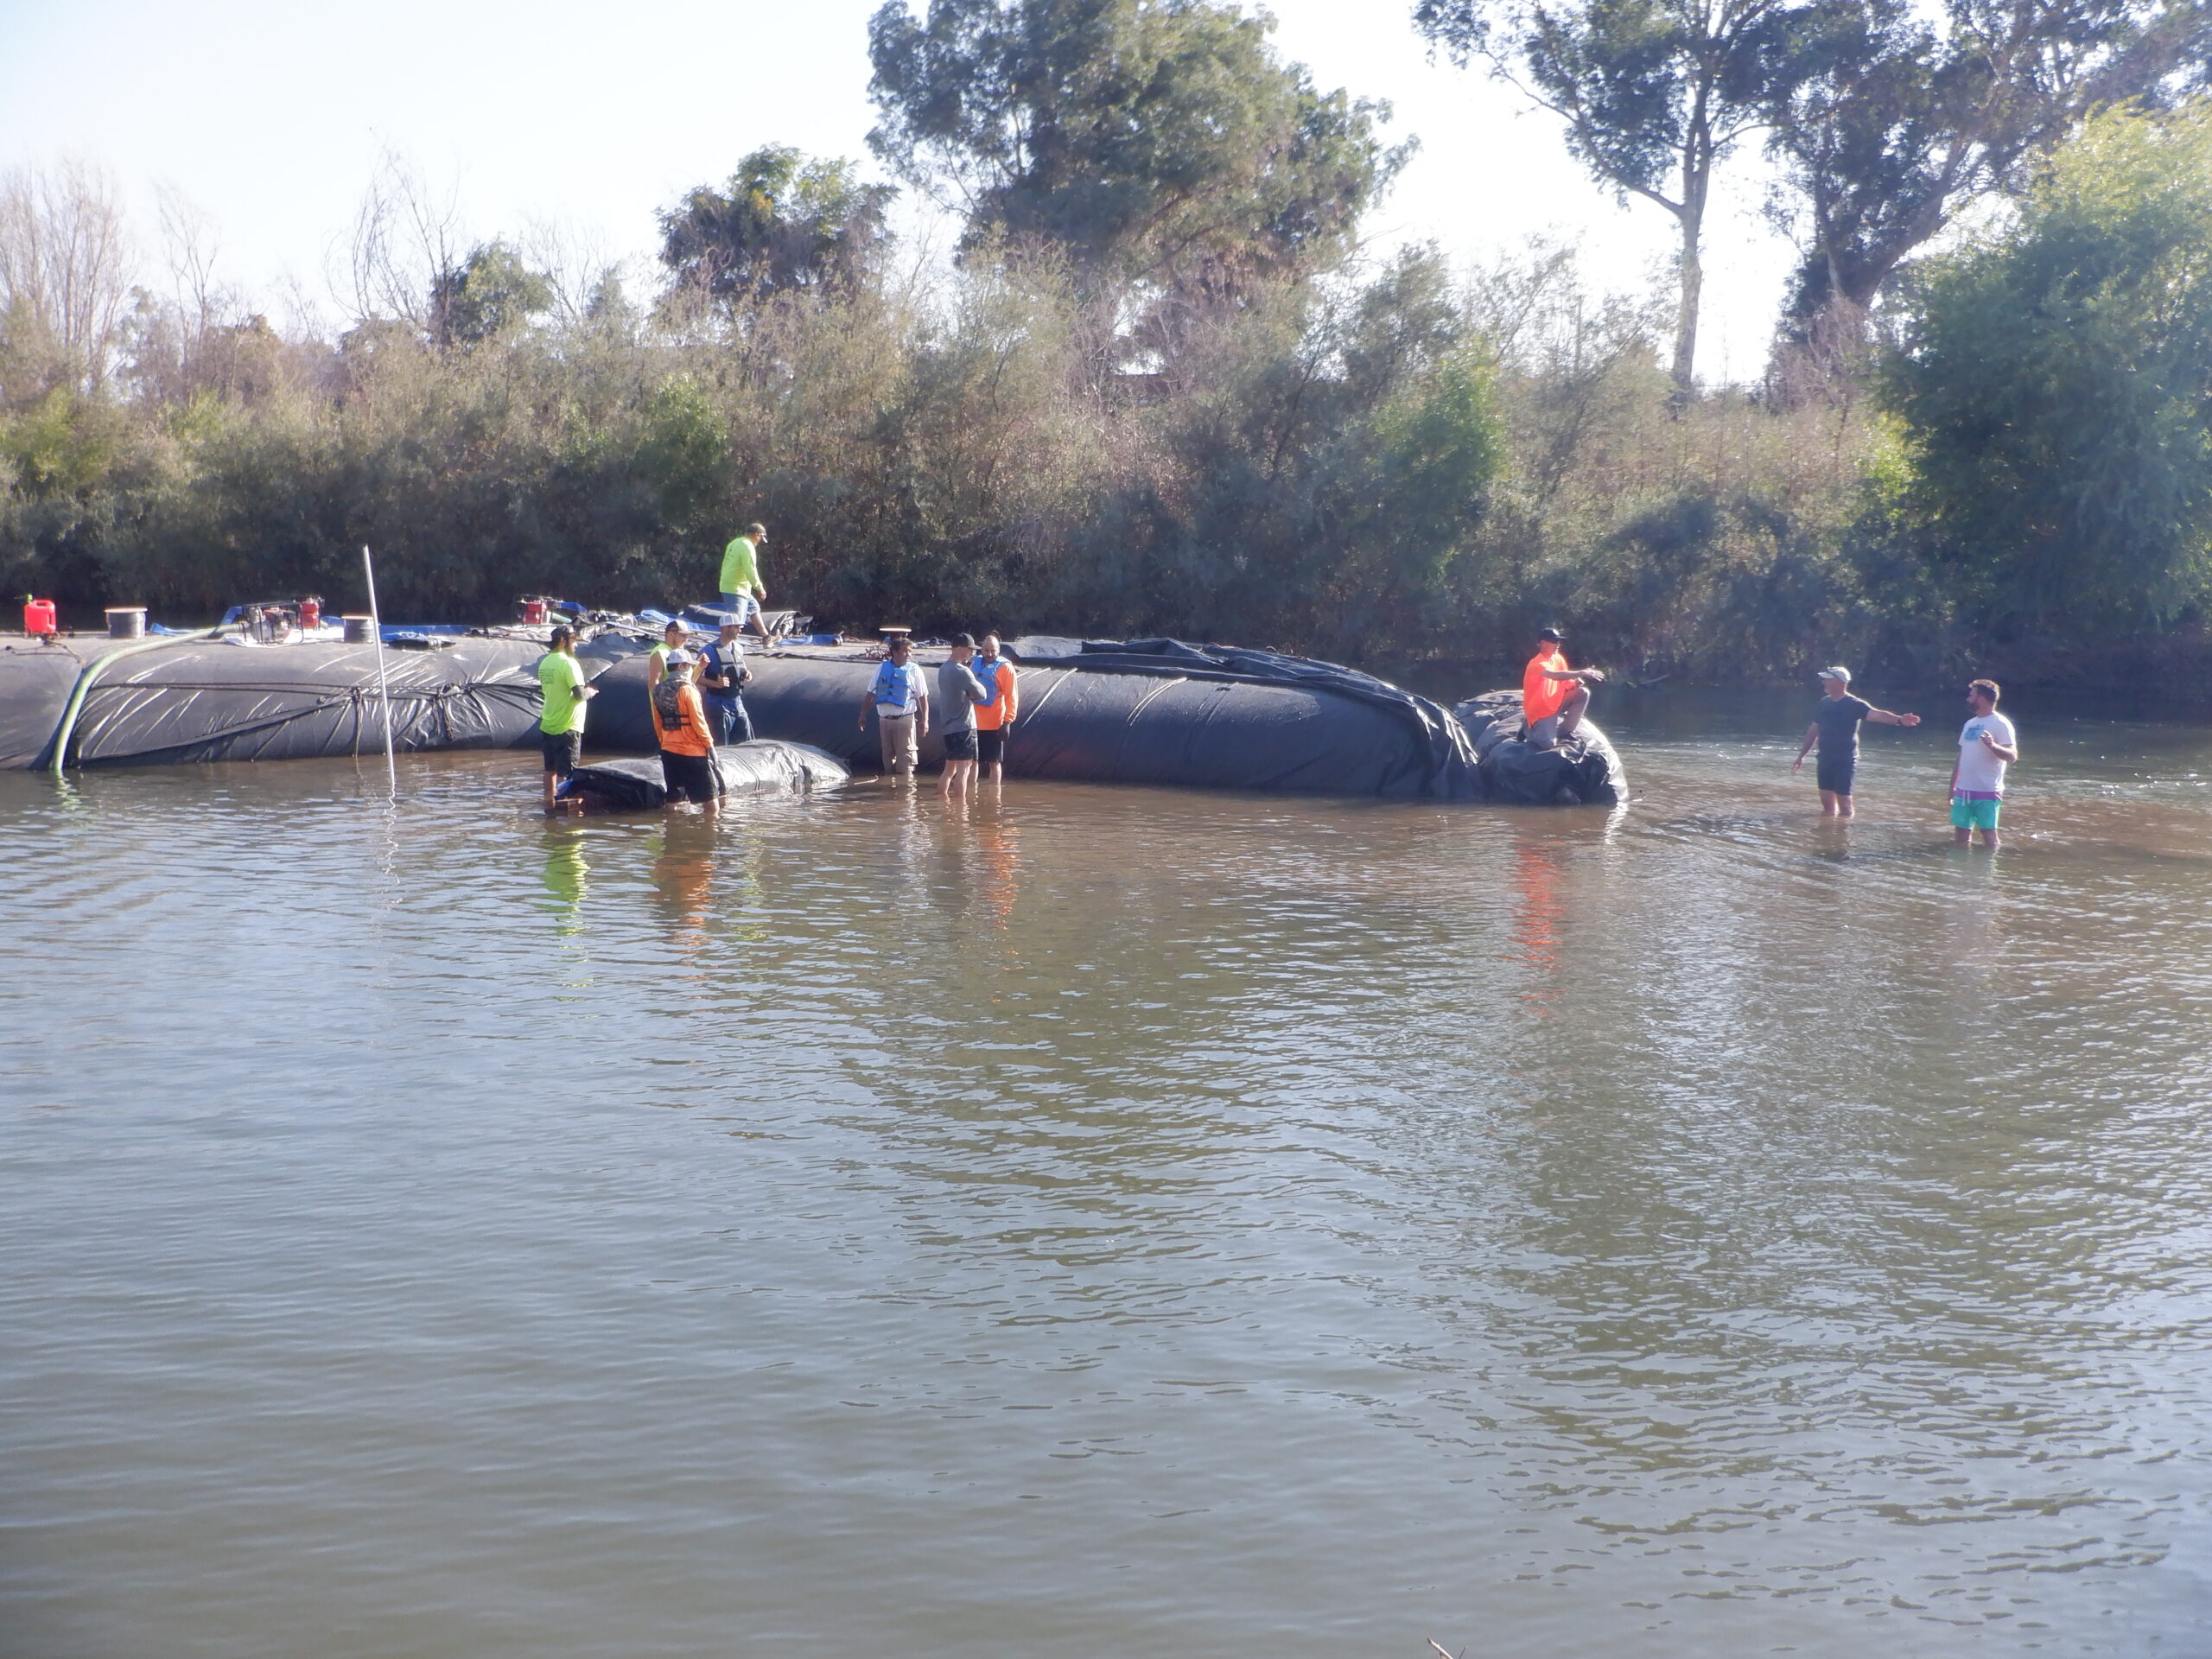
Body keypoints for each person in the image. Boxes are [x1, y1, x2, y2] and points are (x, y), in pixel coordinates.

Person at [1790, 665, 1920, 817]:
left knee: (1845, 805)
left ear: (1839, 682)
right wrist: (1801, 756)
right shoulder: (1824, 703)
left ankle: (1844, 835)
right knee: (1827, 804)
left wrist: (1899, 720)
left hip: (1845, 760)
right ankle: (1828, 833)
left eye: (1827, 679)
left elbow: (1878, 715)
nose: (1823, 682)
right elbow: (1813, 730)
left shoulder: (1854, 704)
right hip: (1825, 758)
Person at [1950, 677, 2018, 849]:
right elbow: (1962, 755)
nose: (1968, 698)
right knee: (1961, 836)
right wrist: (1952, 787)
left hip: (1987, 791)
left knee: (1989, 837)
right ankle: (1960, 870)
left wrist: (1992, 745)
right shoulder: (1969, 724)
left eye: (1971, 695)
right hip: (1963, 791)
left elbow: (2012, 756)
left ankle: (1988, 872)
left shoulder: (2001, 723)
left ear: (1981, 698)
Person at [651, 649, 720, 814]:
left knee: (673, 796)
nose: (690, 670)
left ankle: (671, 833)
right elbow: (699, 722)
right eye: (689, 666)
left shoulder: (658, 690)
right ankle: (712, 835)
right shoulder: (688, 690)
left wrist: (664, 742)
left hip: (668, 750)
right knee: (711, 802)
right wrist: (710, 747)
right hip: (692, 752)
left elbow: (657, 721)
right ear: (681, 667)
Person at [536, 625, 596, 812]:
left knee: (550, 770)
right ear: (563, 641)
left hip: (548, 722)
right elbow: (578, 694)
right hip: (568, 725)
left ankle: (549, 805)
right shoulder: (569, 663)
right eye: (574, 640)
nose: (576, 645)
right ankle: (564, 813)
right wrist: (591, 692)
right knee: (567, 773)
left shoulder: (545, 662)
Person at [858, 633, 929, 779]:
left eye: (910, 651)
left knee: (906, 761)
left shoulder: (914, 670)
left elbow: (923, 697)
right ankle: (889, 792)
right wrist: (862, 715)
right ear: (895, 653)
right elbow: (871, 693)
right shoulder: (881, 668)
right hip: (885, 720)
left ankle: (906, 795)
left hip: (904, 720)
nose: (909, 654)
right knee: (887, 761)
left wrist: (925, 720)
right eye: (905, 651)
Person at [1522, 627, 1606, 749]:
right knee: (1548, 745)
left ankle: (1564, 732)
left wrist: (1574, 683)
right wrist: (1582, 672)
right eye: (1554, 641)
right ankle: (1527, 729)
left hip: (1556, 703)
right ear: (1543, 643)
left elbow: (1565, 681)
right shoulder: (1536, 664)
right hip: (1541, 711)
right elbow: (1556, 676)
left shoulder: (1558, 659)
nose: (1558, 644)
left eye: (1559, 642)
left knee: (1583, 693)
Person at [936, 632, 991, 799]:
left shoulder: (943, 669)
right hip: (964, 727)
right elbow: (982, 694)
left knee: (949, 770)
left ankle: (942, 802)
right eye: (970, 650)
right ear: (959, 649)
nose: (972, 654)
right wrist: (971, 687)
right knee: (964, 770)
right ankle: (961, 811)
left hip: (948, 727)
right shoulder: (962, 671)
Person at [971, 631, 1019, 785]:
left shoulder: (1006, 669)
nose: (989, 654)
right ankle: (970, 794)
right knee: (973, 761)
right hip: (974, 722)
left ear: (999, 650)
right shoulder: (975, 663)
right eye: (986, 650)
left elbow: (1012, 697)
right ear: (981, 650)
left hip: (995, 724)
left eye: (993, 650)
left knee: (994, 763)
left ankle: (994, 797)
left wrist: (1007, 722)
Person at [699, 620, 753, 746]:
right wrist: (716, 684)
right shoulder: (708, 650)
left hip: (737, 703)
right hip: (718, 704)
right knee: (721, 744)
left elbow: (743, 668)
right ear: (725, 628)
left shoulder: (739, 648)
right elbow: (693, 677)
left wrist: (747, 674)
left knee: (746, 742)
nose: (740, 630)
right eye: (736, 627)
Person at [720, 523, 768, 635]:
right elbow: (750, 569)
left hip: (735, 586)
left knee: (754, 608)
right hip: (736, 588)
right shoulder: (747, 545)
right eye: (761, 537)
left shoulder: (735, 543)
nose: (760, 541)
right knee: (736, 623)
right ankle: (728, 645)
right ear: (757, 535)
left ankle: (766, 637)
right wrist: (759, 588)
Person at [645, 619, 690, 690]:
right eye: (683, 635)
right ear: (671, 634)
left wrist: (700, 668)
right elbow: (653, 683)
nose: (686, 640)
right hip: (668, 699)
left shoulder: (681, 653)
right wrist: (661, 700)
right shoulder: (660, 652)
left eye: (687, 636)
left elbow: (688, 681)